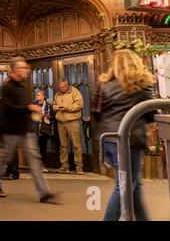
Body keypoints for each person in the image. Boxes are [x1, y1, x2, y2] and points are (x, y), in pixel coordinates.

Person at [96, 49, 155, 221]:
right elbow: (151, 113)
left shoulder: (104, 84)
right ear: (134, 61)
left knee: (133, 184)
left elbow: (96, 112)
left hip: (109, 138)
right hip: (131, 140)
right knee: (125, 185)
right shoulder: (142, 83)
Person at [0, 57, 56, 202]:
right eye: (22, 68)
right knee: (4, 160)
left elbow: (25, 106)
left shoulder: (24, 86)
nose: (26, 70)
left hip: (26, 129)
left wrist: (33, 112)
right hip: (11, 130)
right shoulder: (7, 87)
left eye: (25, 68)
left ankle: (44, 192)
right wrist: (28, 107)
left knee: (35, 160)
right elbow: (7, 108)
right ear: (15, 70)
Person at [53, 79, 84, 175]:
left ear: (67, 85)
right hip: (61, 122)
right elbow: (54, 104)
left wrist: (67, 108)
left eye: (63, 87)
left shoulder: (75, 92)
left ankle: (79, 166)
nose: (61, 89)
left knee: (76, 145)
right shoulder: (57, 94)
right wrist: (55, 107)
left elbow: (80, 104)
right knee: (63, 146)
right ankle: (64, 166)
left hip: (72, 121)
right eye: (60, 87)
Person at [33, 90, 54, 173]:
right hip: (35, 129)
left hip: (44, 129)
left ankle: (43, 166)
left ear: (43, 96)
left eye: (38, 95)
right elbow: (31, 116)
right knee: (35, 149)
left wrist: (48, 116)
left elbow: (52, 117)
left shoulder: (48, 106)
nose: (37, 96)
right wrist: (37, 116)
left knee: (43, 148)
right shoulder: (34, 104)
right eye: (36, 95)